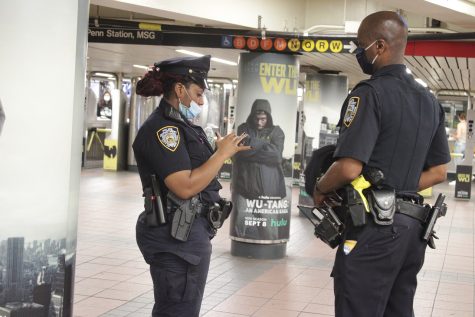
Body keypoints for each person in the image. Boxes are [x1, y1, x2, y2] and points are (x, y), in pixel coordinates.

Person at [312, 11, 450, 317]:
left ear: (379, 46)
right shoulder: (429, 101)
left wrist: (320, 188)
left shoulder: (368, 95)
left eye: (361, 46)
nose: (359, 53)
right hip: (414, 231)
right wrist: (397, 190)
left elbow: (349, 167)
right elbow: (439, 171)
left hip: (374, 231)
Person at [133, 55, 250, 317]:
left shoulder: (183, 126)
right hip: (175, 238)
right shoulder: (165, 131)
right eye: (198, 94)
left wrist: (220, 150)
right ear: (179, 89)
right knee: (177, 311)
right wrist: (221, 155)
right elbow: (184, 186)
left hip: (186, 236)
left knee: (184, 309)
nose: (201, 102)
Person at [233, 99, 286, 200]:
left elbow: (277, 157)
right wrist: (266, 144)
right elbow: (241, 153)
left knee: (266, 216)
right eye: (256, 119)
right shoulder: (243, 128)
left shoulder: (277, 132)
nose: (259, 122)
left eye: (263, 119)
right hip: (244, 189)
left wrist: (251, 147)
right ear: (252, 117)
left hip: (269, 190)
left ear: (268, 118)